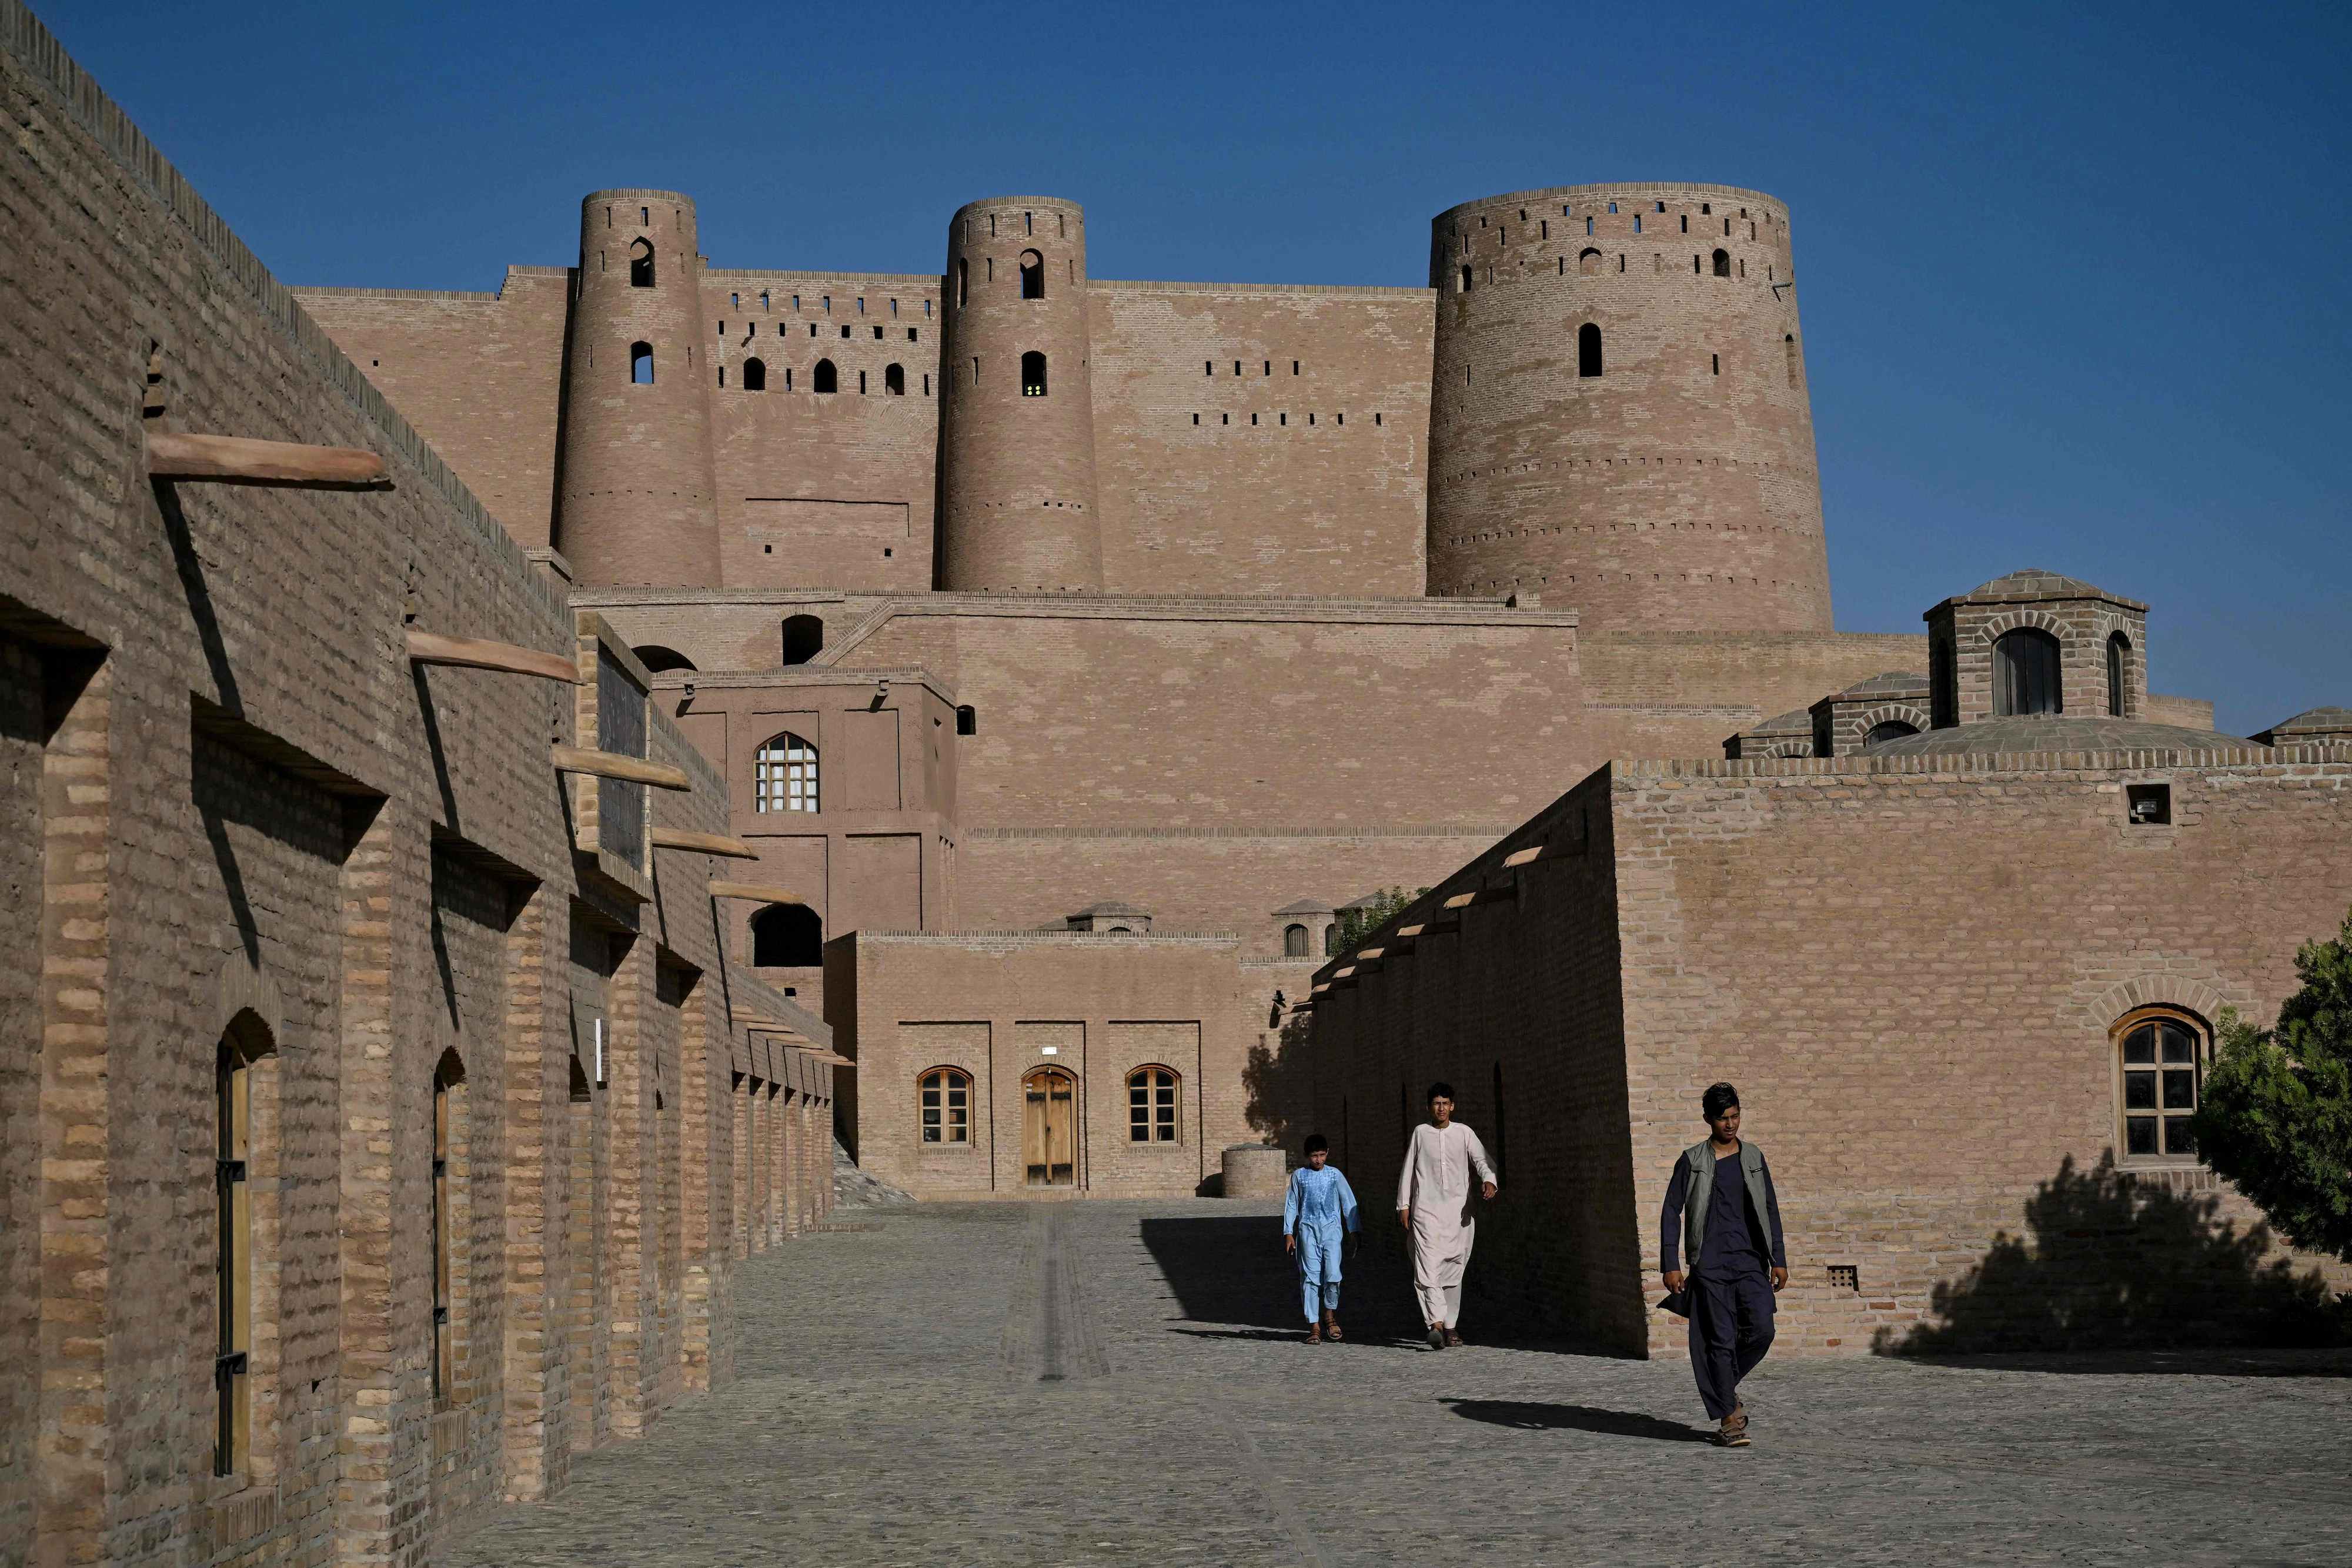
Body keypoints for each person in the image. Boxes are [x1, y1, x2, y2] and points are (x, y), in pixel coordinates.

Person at [1659, 1081, 1788, 1446]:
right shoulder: (1693, 1160)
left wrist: (1779, 1258)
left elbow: (1771, 1209)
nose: (1730, 1125)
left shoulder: (1754, 1158)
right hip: (1710, 1265)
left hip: (1750, 1262)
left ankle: (1724, 1390)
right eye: (1722, 1119)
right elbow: (1671, 1210)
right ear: (1708, 1120)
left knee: (1763, 1330)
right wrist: (1671, 1262)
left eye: (1735, 1116)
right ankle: (1730, 1421)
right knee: (1720, 1342)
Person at [1395, 1082, 1498, 1349]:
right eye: (1436, 1104)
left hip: (1457, 1214)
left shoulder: (1464, 1133)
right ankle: (1436, 1324)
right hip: (1425, 1212)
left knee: (1453, 1271)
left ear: (1452, 1107)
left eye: (1445, 1104)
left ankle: (1450, 1327)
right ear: (1428, 1107)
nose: (1441, 1108)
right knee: (1427, 1268)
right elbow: (1408, 1170)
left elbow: (1482, 1160)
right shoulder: (1421, 1132)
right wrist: (1404, 1205)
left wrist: (1489, 1180)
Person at [1282, 1133, 1361, 1343]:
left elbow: (1348, 1202)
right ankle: (1314, 1326)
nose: (1318, 1160)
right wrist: (1289, 1232)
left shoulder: (1335, 1175)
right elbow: (1292, 1204)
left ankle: (1329, 1315)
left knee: (1334, 1275)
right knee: (1310, 1278)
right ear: (1307, 1156)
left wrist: (1354, 1230)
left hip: (1332, 1230)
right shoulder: (1299, 1176)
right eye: (1314, 1156)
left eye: (1322, 1155)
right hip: (1307, 1230)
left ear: (1328, 1153)